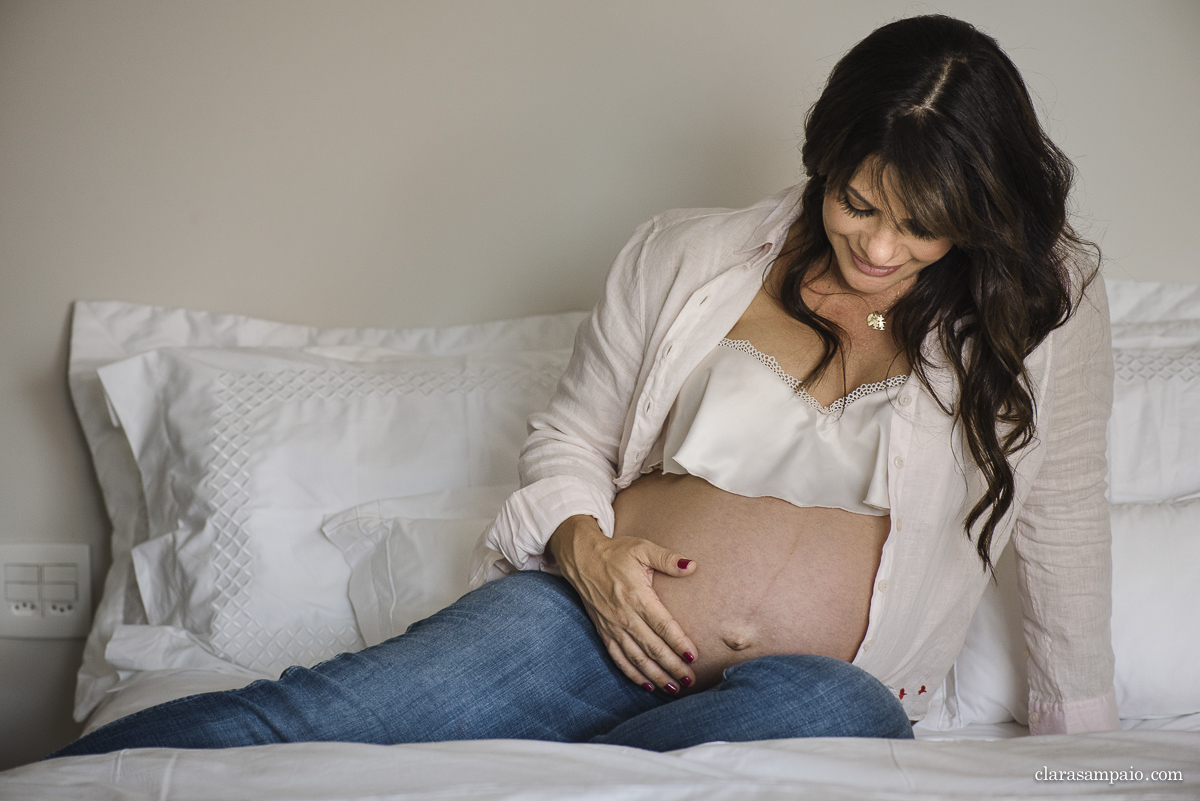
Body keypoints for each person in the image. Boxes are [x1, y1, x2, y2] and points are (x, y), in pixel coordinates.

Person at [50, 13, 1118, 759]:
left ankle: (517, 768)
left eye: (922, 225)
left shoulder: (1042, 302)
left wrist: (1083, 751)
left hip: (815, 687)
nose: (880, 247)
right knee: (305, 722)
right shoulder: (688, 255)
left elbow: (1060, 524)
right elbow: (569, 440)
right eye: (857, 203)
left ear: (978, 212)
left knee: (840, 713)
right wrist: (592, 561)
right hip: (589, 623)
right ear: (825, 157)